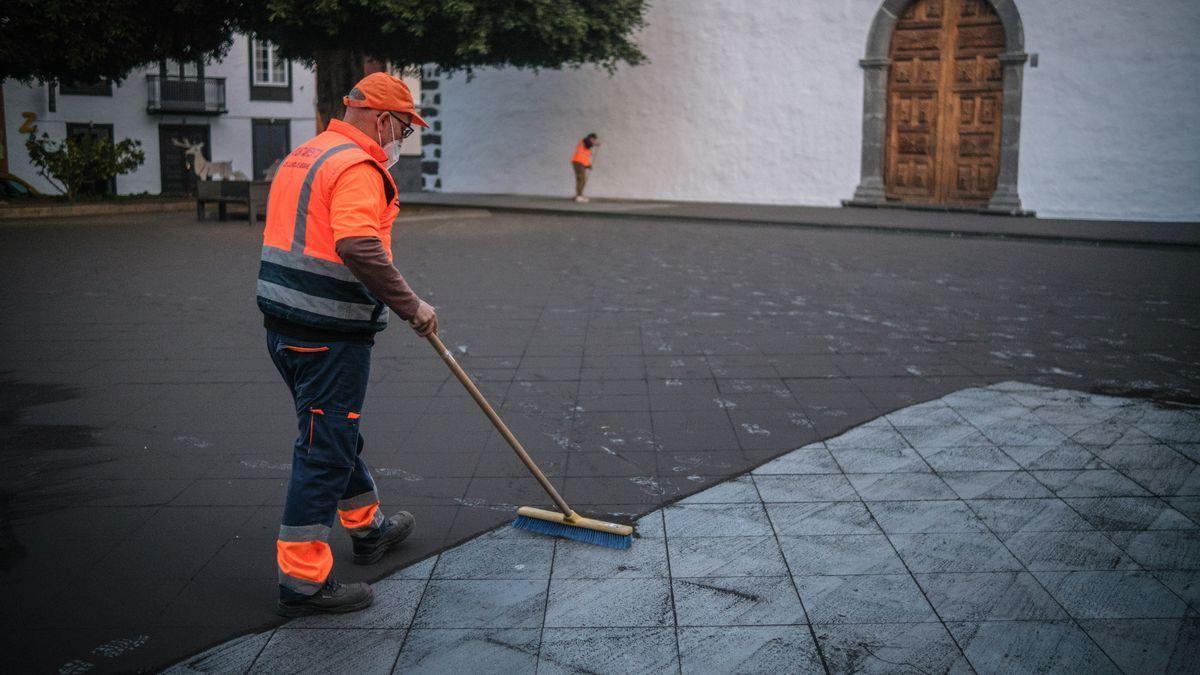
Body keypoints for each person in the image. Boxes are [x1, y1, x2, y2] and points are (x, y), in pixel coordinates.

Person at [255, 72, 438, 617]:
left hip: (284, 324)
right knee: (325, 447)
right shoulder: (358, 167)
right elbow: (357, 244)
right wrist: (413, 307)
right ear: (382, 119)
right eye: (403, 129)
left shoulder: (307, 153)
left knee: (331, 428)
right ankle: (304, 579)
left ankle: (367, 527)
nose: (400, 140)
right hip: (328, 332)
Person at [571, 133, 599, 202]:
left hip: (580, 163)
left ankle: (579, 195)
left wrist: (588, 165)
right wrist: (594, 144)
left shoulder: (587, 147)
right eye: (594, 140)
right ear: (591, 138)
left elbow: (585, 157)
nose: (594, 141)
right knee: (581, 179)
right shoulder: (585, 140)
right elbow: (588, 143)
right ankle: (579, 196)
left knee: (581, 179)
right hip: (578, 162)